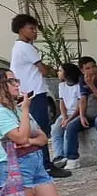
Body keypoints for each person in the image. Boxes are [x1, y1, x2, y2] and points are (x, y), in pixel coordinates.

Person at [0, 67, 85, 196]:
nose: (17, 84)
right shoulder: (4, 112)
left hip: (35, 163)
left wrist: (29, 138)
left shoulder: (17, 109)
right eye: (12, 81)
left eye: (16, 80)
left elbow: (41, 137)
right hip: (15, 166)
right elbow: (19, 137)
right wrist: (26, 113)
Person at [9, 14, 70, 178]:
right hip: (35, 93)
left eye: (35, 29)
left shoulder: (18, 47)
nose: (35, 32)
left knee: (35, 129)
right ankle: (46, 166)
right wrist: (51, 68)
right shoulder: (26, 48)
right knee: (40, 130)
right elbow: (43, 70)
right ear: (21, 29)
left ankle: (43, 163)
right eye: (31, 28)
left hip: (28, 93)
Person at [63, 57, 97, 169]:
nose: (92, 70)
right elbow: (83, 99)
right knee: (71, 126)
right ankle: (72, 158)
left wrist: (91, 85)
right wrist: (82, 116)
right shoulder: (82, 79)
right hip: (91, 111)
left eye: (94, 67)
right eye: (88, 68)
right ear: (82, 70)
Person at [50, 62, 82, 168]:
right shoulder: (61, 85)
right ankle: (58, 156)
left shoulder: (78, 86)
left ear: (67, 73)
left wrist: (69, 119)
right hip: (66, 114)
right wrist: (64, 117)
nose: (58, 73)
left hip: (76, 114)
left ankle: (66, 156)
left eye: (60, 71)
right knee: (55, 130)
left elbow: (80, 106)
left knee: (67, 130)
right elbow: (62, 103)